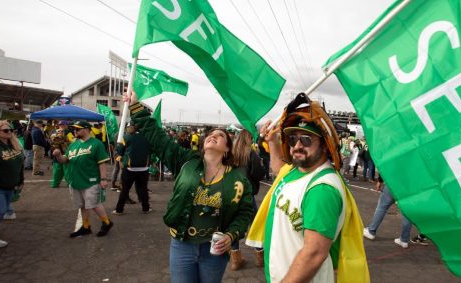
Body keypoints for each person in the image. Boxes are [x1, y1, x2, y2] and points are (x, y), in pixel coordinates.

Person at [125, 92, 254, 283]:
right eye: (210, 135)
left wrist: (231, 235)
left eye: (220, 135)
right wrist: (135, 106)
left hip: (215, 250)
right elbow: (158, 138)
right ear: (203, 144)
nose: (213, 136)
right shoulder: (186, 161)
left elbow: (244, 213)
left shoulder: (238, 179)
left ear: (227, 148)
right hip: (181, 244)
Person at [247, 93, 369, 283]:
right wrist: (272, 141)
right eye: (293, 138)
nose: (297, 145)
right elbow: (279, 171)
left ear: (325, 145)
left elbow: (314, 253)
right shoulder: (297, 170)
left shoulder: (322, 189)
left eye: (306, 139)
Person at [52, 121, 113, 238]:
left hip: (91, 180)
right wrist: (58, 155)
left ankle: (107, 222)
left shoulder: (96, 144)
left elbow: (102, 163)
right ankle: (86, 227)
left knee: (94, 204)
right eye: (74, 129)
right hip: (75, 180)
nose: (74, 131)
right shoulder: (73, 144)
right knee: (82, 205)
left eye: (77, 129)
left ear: (86, 129)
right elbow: (65, 160)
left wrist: (104, 178)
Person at [231, 129, 266, 270]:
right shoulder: (251, 154)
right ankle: (259, 257)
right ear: (248, 139)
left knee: (234, 224)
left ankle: (235, 260)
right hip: (247, 194)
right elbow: (258, 173)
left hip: (232, 194)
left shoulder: (231, 154)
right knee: (255, 223)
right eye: (251, 138)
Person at [0, 121, 25, 247]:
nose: (9, 132)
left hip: (10, 186)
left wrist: (21, 180)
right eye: (5, 130)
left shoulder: (14, 145)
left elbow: (20, 165)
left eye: (10, 130)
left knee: (2, 212)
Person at [112, 121, 152, 215]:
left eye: (129, 127)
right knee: (143, 189)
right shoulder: (147, 137)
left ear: (134, 127)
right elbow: (151, 152)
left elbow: (119, 151)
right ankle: (145, 208)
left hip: (130, 169)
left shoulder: (126, 137)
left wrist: (120, 159)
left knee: (125, 189)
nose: (128, 128)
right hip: (144, 169)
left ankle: (119, 209)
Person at [362, 177, 414, 248]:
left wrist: (380, 180)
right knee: (407, 212)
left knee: (382, 206)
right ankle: (404, 240)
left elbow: (386, 166)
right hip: (411, 185)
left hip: (394, 181)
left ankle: (371, 231)